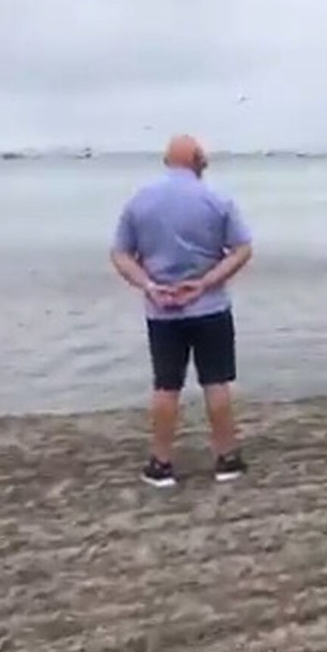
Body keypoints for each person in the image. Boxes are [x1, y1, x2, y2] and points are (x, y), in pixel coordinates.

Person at [111, 135, 255, 487]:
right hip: (210, 307)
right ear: (197, 159)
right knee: (216, 382)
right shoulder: (216, 198)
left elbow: (120, 253)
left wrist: (148, 285)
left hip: (163, 310)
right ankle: (226, 458)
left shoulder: (140, 200)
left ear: (167, 160)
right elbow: (242, 249)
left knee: (166, 386)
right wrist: (206, 282)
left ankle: (161, 463)